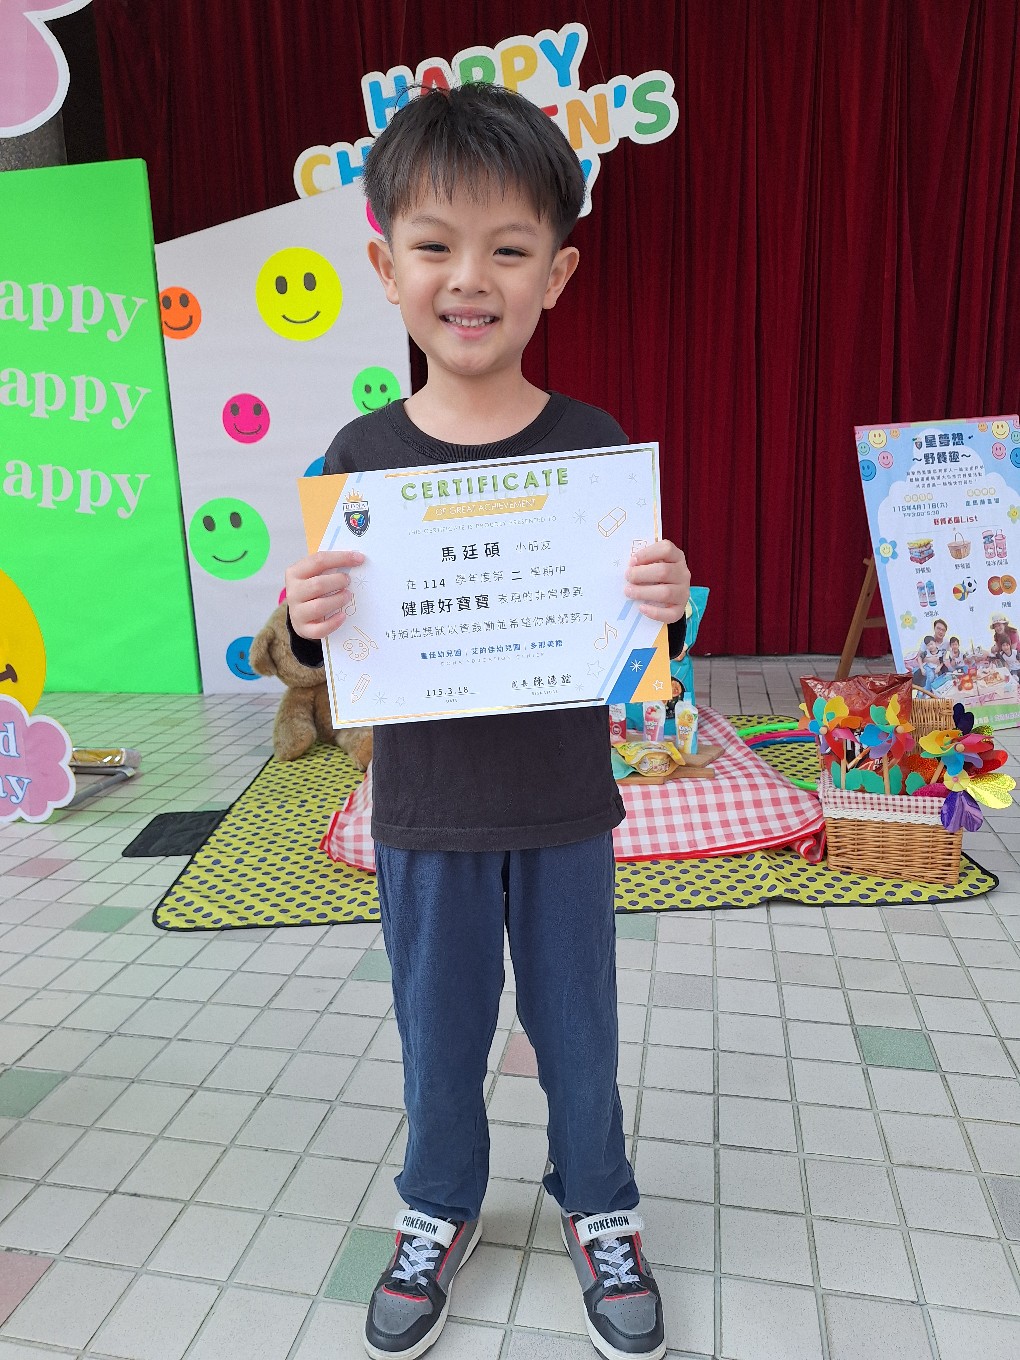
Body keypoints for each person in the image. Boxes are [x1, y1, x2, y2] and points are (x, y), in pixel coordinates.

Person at [284, 84, 689, 1360]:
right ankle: (439, 1200)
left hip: (564, 809)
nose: (471, 278)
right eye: (436, 245)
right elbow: (319, 651)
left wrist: (666, 608)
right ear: (386, 267)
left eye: (509, 248)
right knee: (439, 1030)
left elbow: (642, 658)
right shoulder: (359, 455)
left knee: (578, 1026)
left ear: (557, 273)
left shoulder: (592, 448)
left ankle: (599, 1199)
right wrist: (305, 619)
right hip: (424, 814)